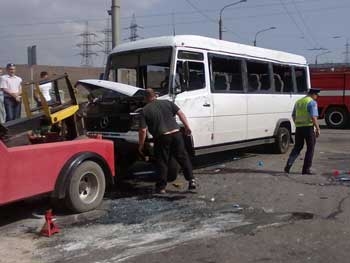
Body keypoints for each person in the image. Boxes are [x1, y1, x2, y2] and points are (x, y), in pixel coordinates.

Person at [138, 88, 197, 194]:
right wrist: (187, 127)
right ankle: (191, 180)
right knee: (182, 157)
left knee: (162, 162)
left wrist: (141, 145)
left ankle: (161, 187)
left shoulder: (144, 110)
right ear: (155, 95)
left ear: (145, 98)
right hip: (176, 134)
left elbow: (143, 130)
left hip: (162, 137)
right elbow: (181, 114)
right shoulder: (167, 102)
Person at [284, 88, 321, 175]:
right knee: (310, 148)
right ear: (313, 94)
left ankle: (289, 164)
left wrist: (297, 123)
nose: (317, 97)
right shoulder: (312, 102)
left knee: (297, 147)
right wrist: (318, 129)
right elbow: (313, 117)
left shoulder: (299, 102)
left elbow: (293, 115)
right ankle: (306, 169)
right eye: (317, 95)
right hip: (308, 128)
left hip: (299, 128)